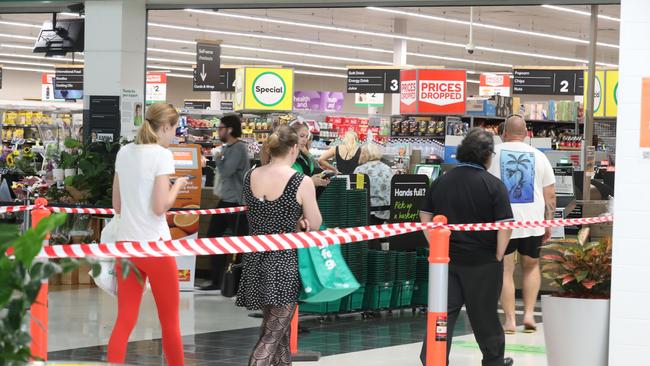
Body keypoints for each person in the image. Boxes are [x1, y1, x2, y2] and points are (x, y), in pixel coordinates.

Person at [419, 128, 514, 366]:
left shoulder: (441, 181)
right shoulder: (494, 185)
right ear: (487, 156)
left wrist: (435, 245)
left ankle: (432, 358)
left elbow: (425, 215)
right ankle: (493, 360)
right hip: (483, 261)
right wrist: (499, 254)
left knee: (443, 314)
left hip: (447, 262)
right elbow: (505, 225)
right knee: (484, 315)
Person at [108, 103, 188, 366]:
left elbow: (117, 206)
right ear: (165, 127)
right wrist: (177, 187)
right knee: (170, 323)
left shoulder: (124, 152)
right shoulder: (162, 155)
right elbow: (159, 206)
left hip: (127, 247)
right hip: (156, 247)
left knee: (124, 320)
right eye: (174, 129)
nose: (174, 135)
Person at [236, 125, 322, 366]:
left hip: (255, 258)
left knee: (279, 333)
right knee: (271, 336)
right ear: (294, 148)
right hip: (283, 262)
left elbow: (259, 212)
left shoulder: (250, 175)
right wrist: (300, 222)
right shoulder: (301, 181)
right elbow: (315, 223)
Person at [489, 114, 556, 334]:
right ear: (527, 134)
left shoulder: (492, 155)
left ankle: (509, 320)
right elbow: (551, 195)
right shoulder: (539, 156)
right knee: (531, 266)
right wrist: (548, 223)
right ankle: (528, 314)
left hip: (503, 223)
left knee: (505, 271)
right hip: (533, 221)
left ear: (503, 133)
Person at [200, 114, 251, 291]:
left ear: (229, 129)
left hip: (236, 203)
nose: (218, 131)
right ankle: (217, 280)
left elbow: (227, 171)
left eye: (220, 127)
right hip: (227, 200)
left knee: (238, 243)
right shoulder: (229, 147)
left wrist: (218, 158)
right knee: (213, 238)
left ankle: (236, 283)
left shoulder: (238, 149)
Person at [353, 143, 393, 225]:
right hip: (387, 213)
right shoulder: (388, 169)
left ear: (365, 154)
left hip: (367, 213)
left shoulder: (360, 170)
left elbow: (358, 191)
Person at [290, 122, 331, 190]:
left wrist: (319, 180)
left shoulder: (304, 157)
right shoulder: (284, 159)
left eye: (306, 136)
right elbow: (285, 187)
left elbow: (314, 169)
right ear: (291, 136)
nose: (305, 140)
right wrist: (310, 181)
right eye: (302, 136)